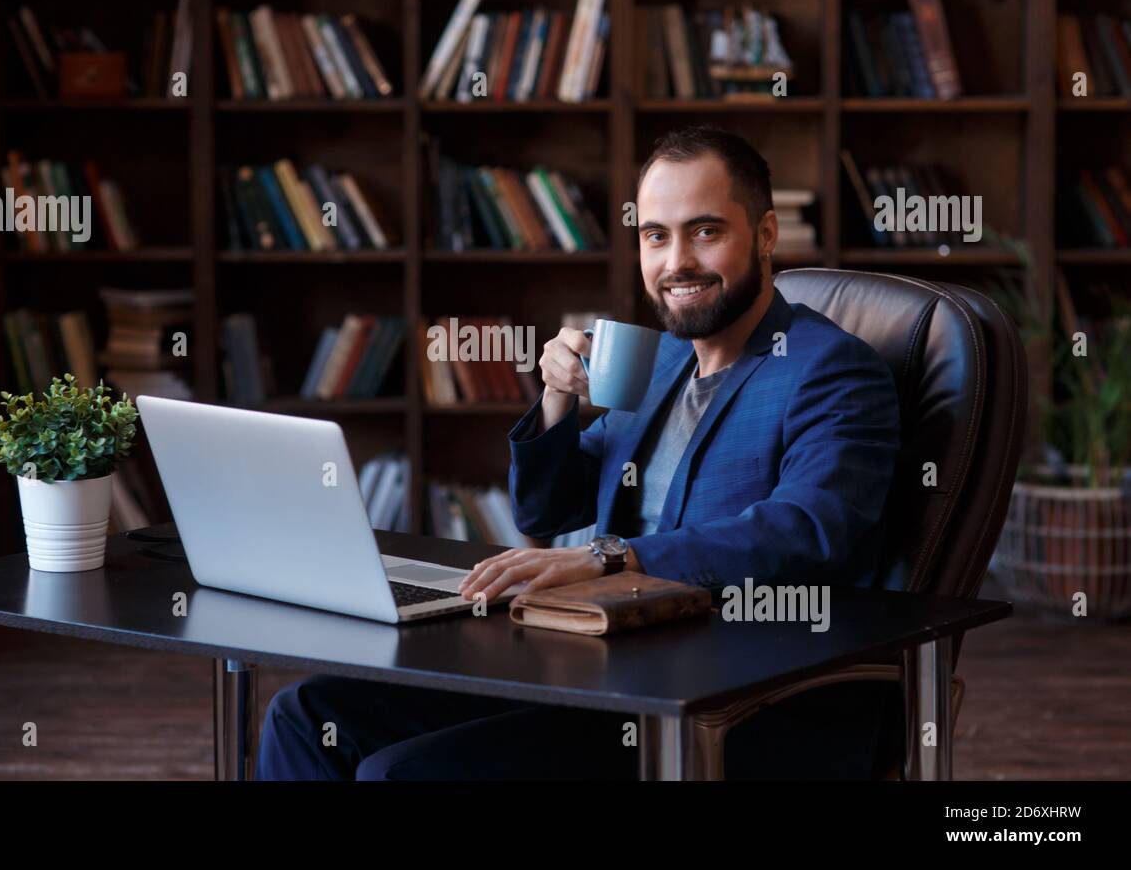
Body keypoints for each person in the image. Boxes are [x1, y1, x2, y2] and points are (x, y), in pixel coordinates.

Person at [256, 125, 902, 780]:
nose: (676, 260)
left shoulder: (831, 370)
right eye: (655, 235)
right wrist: (557, 404)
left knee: (397, 772)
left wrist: (611, 557)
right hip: (600, 662)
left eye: (705, 231)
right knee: (306, 714)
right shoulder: (658, 366)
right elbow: (546, 508)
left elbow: (814, 530)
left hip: (733, 697)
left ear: (765, 235)